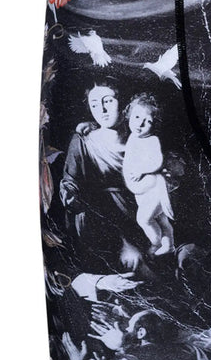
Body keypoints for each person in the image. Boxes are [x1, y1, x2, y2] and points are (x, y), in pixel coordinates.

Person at [59, 78, 147, 271]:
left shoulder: (142, 139)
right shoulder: (83, 142)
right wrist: (69, 192)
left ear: (124, 103)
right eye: (94, 104)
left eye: (108, 101)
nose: (102, 110)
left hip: (139, 213)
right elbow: (71, 181)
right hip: (101, 218)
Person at [122, 93, 175, 257]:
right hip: (142, 192)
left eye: (148, 121)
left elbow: (157, 161)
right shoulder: (132, 137)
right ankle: (169, 245)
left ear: (155, 125)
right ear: (129, 115)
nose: (140, 123)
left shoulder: (152, 140)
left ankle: (156, 243)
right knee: (160, 219)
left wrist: (141, 170)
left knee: (144, 219)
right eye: (137, 117)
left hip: (153, 188)